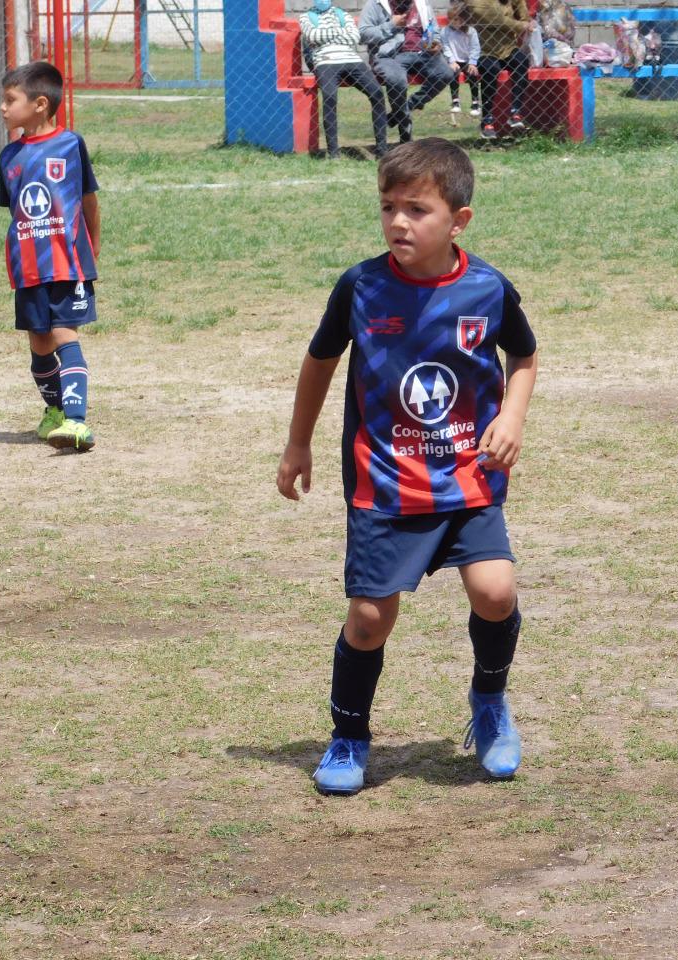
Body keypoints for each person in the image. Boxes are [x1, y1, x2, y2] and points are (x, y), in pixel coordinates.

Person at [276, 138, 539, 795]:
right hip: (386, 483)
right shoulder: (362, 287)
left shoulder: (487, 288)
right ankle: (349, 736)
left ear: (458, 220)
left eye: (417, 210)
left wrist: (511, 418)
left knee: (495, 592)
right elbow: (319, 361)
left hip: (468, 476)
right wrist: (298, 444)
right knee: (370, 620)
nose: (398, 222)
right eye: (388, 207)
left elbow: (524, 356)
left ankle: (489, 702)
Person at [0, 62, 100, 451]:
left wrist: (92, 247)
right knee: (39, 345)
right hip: (28, 267)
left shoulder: (71, 145)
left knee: (62, 334)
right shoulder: (9, 156)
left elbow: (89, 201)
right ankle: (55, 411)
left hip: (66, 262)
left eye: (10, 100)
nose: (3, 108)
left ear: (40, 104)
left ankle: (77, 422)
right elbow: (17, 212)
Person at [300, 0, 389, 159]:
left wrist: (324, 35)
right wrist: (340, 33)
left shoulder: (342, 14)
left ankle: (382, 150)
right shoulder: (306, 17)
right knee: (330, 97)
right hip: (325, 61)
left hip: (352, 59)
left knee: (376, 93)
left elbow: (354, 37)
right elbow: (312, 35)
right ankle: (334, 153)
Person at [359, 0, 456, 143]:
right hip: (390, 56)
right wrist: (391, 24)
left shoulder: (422, 3)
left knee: (445, 74)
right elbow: (363, 34)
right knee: (397, 79)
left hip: (424, 53)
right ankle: (405, 137)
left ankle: (405, 109)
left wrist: (435, 42)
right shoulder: (375, 4)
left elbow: (434, 28)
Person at [468, 0, 531, 138]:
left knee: (521, 61)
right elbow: (496, 19)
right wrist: (519, 25)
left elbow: (526, 18)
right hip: (483, 49)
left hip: (508, 48)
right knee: (491, 69)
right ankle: (487, 121)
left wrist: (521, 8)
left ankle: (515, 112)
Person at [441, 2, 481, 118]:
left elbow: (475, 47)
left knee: (472, 75)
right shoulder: (445, 31)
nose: (454, 22)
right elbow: (446, 47)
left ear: (464, 19)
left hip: (468, 60)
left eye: (457, 19)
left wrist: (472, 62)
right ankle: (455, 101)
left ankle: (475, 102)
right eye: (451, 19)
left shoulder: (471, 31)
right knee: (453, 73)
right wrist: (451, 60)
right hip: (454, 60)